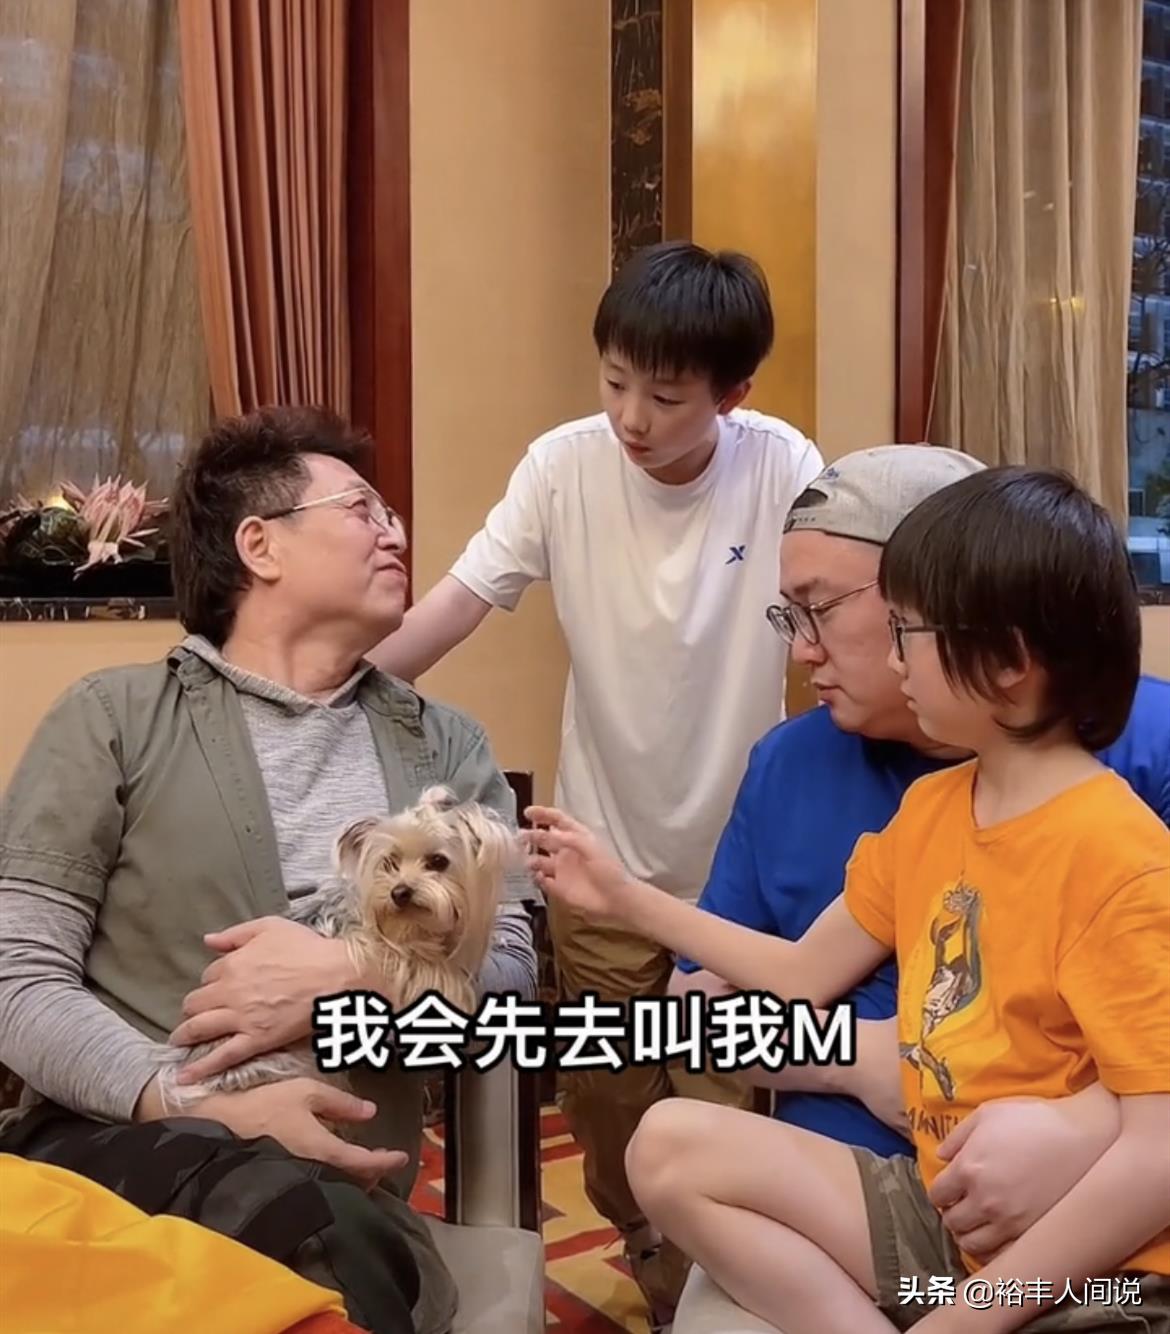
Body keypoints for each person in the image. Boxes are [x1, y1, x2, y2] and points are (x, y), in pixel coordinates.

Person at [526, 465, 1170, 1332]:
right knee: (670, 1144)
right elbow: (800, 975)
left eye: (909, 633)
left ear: (1009, 663)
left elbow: (1158, 1154)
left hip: (1097, 1271)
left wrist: (967, 1318)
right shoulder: (933, 809)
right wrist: (623, 897)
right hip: (946, 1217)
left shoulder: (1119, 856)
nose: (895, 660)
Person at [0, 405, 538, 1334]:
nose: (396, 531)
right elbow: (16, 975)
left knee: (318, 1242)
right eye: (362, 510)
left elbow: (516, 973)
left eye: (391, 513)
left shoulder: (447, 746)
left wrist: (355, 972)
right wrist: (190, 1098)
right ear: (259, 545)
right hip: (118, 1154)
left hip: (336, 1192)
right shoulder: (111, 719)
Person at [369, 239, 824, 1318]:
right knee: (609, 1092)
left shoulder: (784, 467)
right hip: (599, 847)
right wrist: (335, 687)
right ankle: (646, 1243)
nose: (631, 417)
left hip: (737, 865)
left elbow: (836, 607)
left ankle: (708, 1287)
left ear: (732, 394)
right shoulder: (561, 465)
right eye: (615, 382)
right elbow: (457, 602)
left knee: (721, 1105)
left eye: (665, 397)